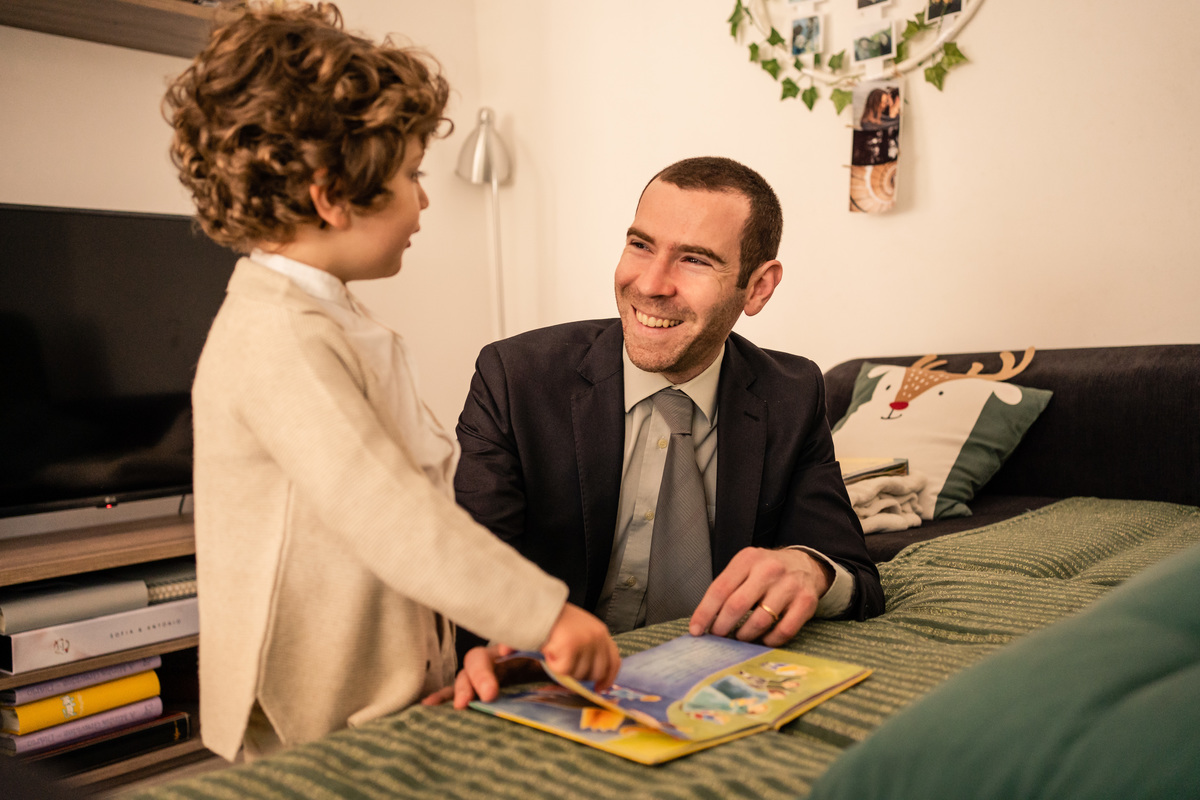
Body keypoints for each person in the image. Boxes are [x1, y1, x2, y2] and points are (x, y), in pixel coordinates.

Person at [163, 1, 618, 761]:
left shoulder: (327, 318)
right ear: (332, 195)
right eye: (412, 174)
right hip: (308, 706)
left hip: (370, 682)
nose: (425, 198)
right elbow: (390, 514)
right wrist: (545, 614)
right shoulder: (279, 337)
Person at [438, 156, 884, 707]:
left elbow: (856, 576)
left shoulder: (790, 394)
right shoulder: (516, 377)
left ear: (758, 288)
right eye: (640, 245)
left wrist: (809, 569)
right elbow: (472, 562)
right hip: (550, 683)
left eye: (694, 260)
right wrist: (488, 650)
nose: (649, 284)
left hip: (707, 695)